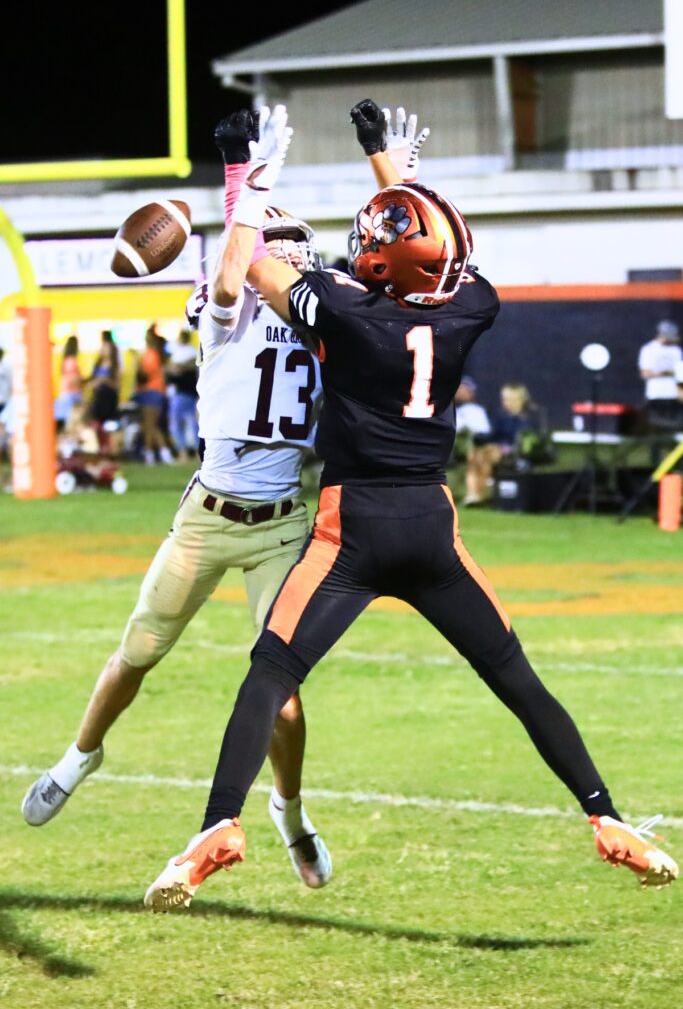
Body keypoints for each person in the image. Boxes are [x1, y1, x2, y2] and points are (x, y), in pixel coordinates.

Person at [144, 100, 677, 912]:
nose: (359, 249)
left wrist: (247, 179)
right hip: (430, 526)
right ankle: (607, 818)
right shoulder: (470, 307)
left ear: (384, 266)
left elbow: (248, 268)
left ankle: (219, 824)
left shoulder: (349, 313)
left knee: (271, 672)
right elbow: (445, 248)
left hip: (348, 530)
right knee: (514, 676)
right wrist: (392, 170)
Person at [21, 108, 332, 892]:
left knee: (283, 697)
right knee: (138, 650)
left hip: (281, 527)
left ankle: (289, 812)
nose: (289, 256)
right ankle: (79, 755)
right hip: (208, 515)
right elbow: (230, 275)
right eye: (276, 243)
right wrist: (243, 181)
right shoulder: (224, 315)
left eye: (294, 246)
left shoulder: (329, 319)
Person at [464, 381, 539, 505]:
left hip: (516, 452)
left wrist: (504, 447)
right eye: (504, 399)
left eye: (508, 400)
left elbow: (526, 439)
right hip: (496, 448)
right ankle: (473, 494)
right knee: (474, 455)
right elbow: (494, 435)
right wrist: (480, 438)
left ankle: (480, 494)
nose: (505, 402)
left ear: (518, 400)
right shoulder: (501, 416)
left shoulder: (529, 416)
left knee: (487, 455)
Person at [137, 326, 174, 464]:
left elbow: (145, 375)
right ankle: (158, 453)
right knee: (152, 425)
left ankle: (154, 454)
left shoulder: (150, 355)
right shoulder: (157, 354)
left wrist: (138, 365)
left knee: (150, 425)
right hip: (156, 391)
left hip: (151, 391)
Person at [453, 376, 492, 505]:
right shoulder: (447, 409)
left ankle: (477, 495)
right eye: (460, 389)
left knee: (478, 456)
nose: (461, 393)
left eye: (465, 390)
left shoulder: (477, 411)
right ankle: (474, 495)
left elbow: (484, 432)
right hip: (452, 446)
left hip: (472, 447)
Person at [638, 319, 682, 430]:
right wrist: (664, 373)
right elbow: (645, 373)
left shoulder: (676, 350)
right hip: (656, 395)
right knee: (656, 428)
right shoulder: (648, 350)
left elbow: (680, 373)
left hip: (673, 396)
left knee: (676, 427)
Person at [165, 328, 199, 463]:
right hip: (192, 393)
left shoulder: (183, 353)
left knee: (177, 423)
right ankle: (196, 452)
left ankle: (183, 451)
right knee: (193, 424)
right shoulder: (192, 352)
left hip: (182, 393)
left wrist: (178, 367)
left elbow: (173, 371)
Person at [53, 335, 82, 428]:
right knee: (72, 423)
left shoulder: (66, 361)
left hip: (65, 393)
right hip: (72, 395)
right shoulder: (72, 361)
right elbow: (74, 380)